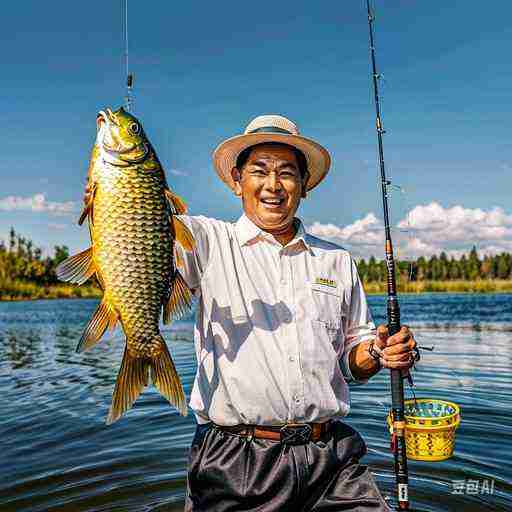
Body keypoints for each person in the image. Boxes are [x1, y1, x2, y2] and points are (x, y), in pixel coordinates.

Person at [86, 114, 418, 511]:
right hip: (234, 461)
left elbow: (351, 362)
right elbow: (137, 239)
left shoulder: (337, 260)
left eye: (287, 173)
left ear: (304, 185)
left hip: (332, 458)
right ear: (236, 180)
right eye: (259, 171)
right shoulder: (205, 239)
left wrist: (379, 353)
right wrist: (110, 198)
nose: (273, 185)